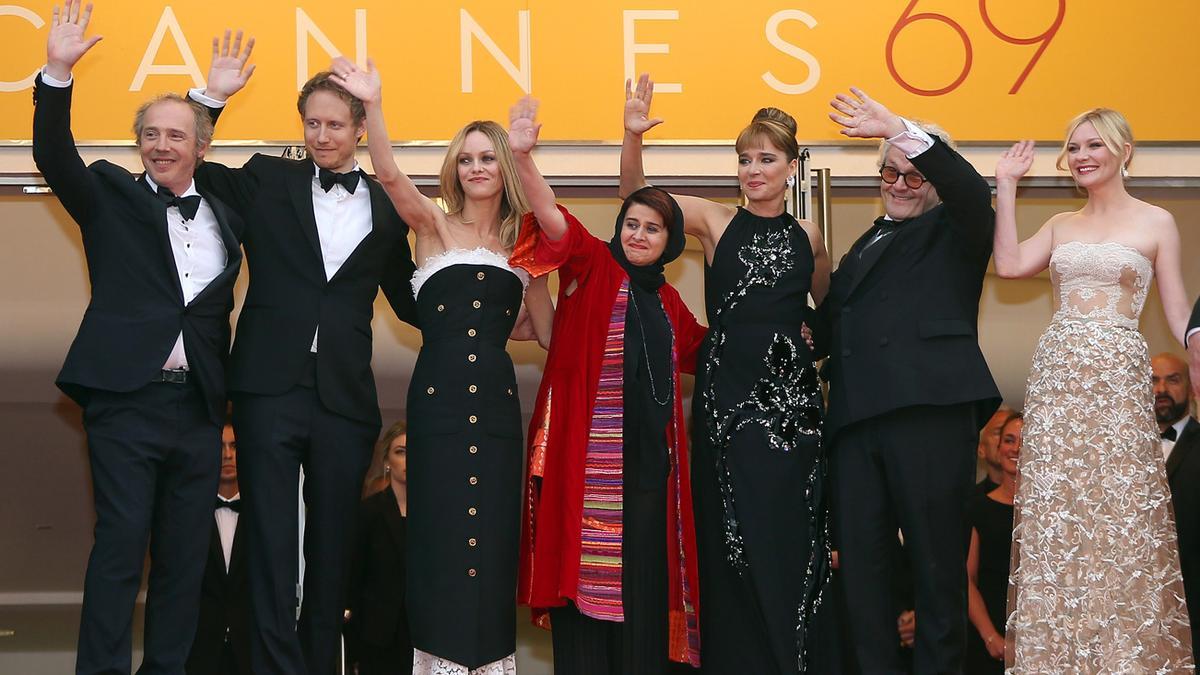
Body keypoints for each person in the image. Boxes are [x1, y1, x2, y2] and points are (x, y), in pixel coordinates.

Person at [184, 35, 420, 675]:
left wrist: (483, 302)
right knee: (267, 535)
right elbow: (192, 169)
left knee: (333, 543)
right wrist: (210, 99)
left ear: (360, 126)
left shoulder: (388, 206)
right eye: (312, 122)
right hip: (267, 385)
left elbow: (409, 300)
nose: (321, 135)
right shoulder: (268, 178)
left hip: (344, 395)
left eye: (335, 123)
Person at [32, 4, 244, 672]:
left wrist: (208, 98)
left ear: (200, 147)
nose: (161, 144)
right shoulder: (108, 196)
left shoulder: (226, 214)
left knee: (184, 556)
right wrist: (57, 73)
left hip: (199, 410)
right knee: (123, 543)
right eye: (149, 133)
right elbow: (51, 154)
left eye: (176, 134)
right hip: (125, 401)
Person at [328, 56, 552, 674]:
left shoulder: (526, 242)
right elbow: (390, 174)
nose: (476, 168)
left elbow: (549, 334)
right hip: (439, 403)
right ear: (455, 168)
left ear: (503, 169)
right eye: (467, 158)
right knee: (441, 539)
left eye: (487, 158)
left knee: (496, 534)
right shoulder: (430, 225)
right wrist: (372, 105)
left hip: (499, 407)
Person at [620, 74, 832, 674]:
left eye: (766, 159)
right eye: (744, 159)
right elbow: (638, 197)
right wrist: (632, 135)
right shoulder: (714, 221)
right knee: (729, 531)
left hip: (791, 405)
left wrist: (812, 336)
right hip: (728, 395)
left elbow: (831, 305)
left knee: (789, 529)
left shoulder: (809, 237)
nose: (753, 169)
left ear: (791, 166)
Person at [507, 96, 707, 673]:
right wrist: (523, 159)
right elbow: (549, 216)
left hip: (651, 487)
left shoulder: (671, 305)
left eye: (653, 228)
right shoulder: (593, 265)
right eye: (631, 224)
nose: (639, 234)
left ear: (669, 242)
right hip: (585, 479)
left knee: (643, 625)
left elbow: (719, 352)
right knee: (586, 626)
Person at [994, 110, 1194, 671]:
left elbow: (1178, 313)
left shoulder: (1158, 222)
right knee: (1058, 514)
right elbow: (1008, 265)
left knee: (1120, 516)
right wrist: (1006, 186)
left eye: (1093, 145)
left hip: (1118, 379)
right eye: (1073, 147)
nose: (1081, 156)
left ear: (1123, 150)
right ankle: (1057, 657)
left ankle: (1121, 657)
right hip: (1059, 376)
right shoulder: (1061, 223)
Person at [819, 87, 1001, 673]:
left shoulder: (959, 227)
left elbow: (973, 190)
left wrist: (898, 127)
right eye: (889, 173)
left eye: (914, 174)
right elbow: (823, 330)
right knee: (864, 580)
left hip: (929, 412)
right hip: (854, 423)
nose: (899, 184)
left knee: (935, 569)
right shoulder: (866, 243)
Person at [345, 421, 413, 675]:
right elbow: (354, 576)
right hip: (377, 636)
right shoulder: (368, 512)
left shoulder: (435, 517)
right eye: (400, 451)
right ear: (387, 460)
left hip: (424, 635)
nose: (408, 459)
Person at [188, 419, 252, 675]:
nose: (227, 454)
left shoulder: (264, 518)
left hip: (251, 653)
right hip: (199, 652)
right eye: (220, 446)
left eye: (235, 446)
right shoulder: (189, 515)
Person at [965, 412, 1021, 674]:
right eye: (1009, 440)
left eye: (1024, 441)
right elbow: (967, 579)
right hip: (988, 639)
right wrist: (991, 637)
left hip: (1038, 637)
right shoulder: (977, 507)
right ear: (998, 449)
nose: (1016, 448)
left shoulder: (1050, 512)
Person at [1152, 353, 1200, 656]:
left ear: (1193, 387)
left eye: (1173, 379)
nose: (1161, 389)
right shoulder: (1123, 448)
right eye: (1153, 380)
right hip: (1136, 608)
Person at [975, 406, 1012, 496]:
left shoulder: (1038, 496)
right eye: (999, 432)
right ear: (981, 449)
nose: (1007, 440)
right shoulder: (968, 502)